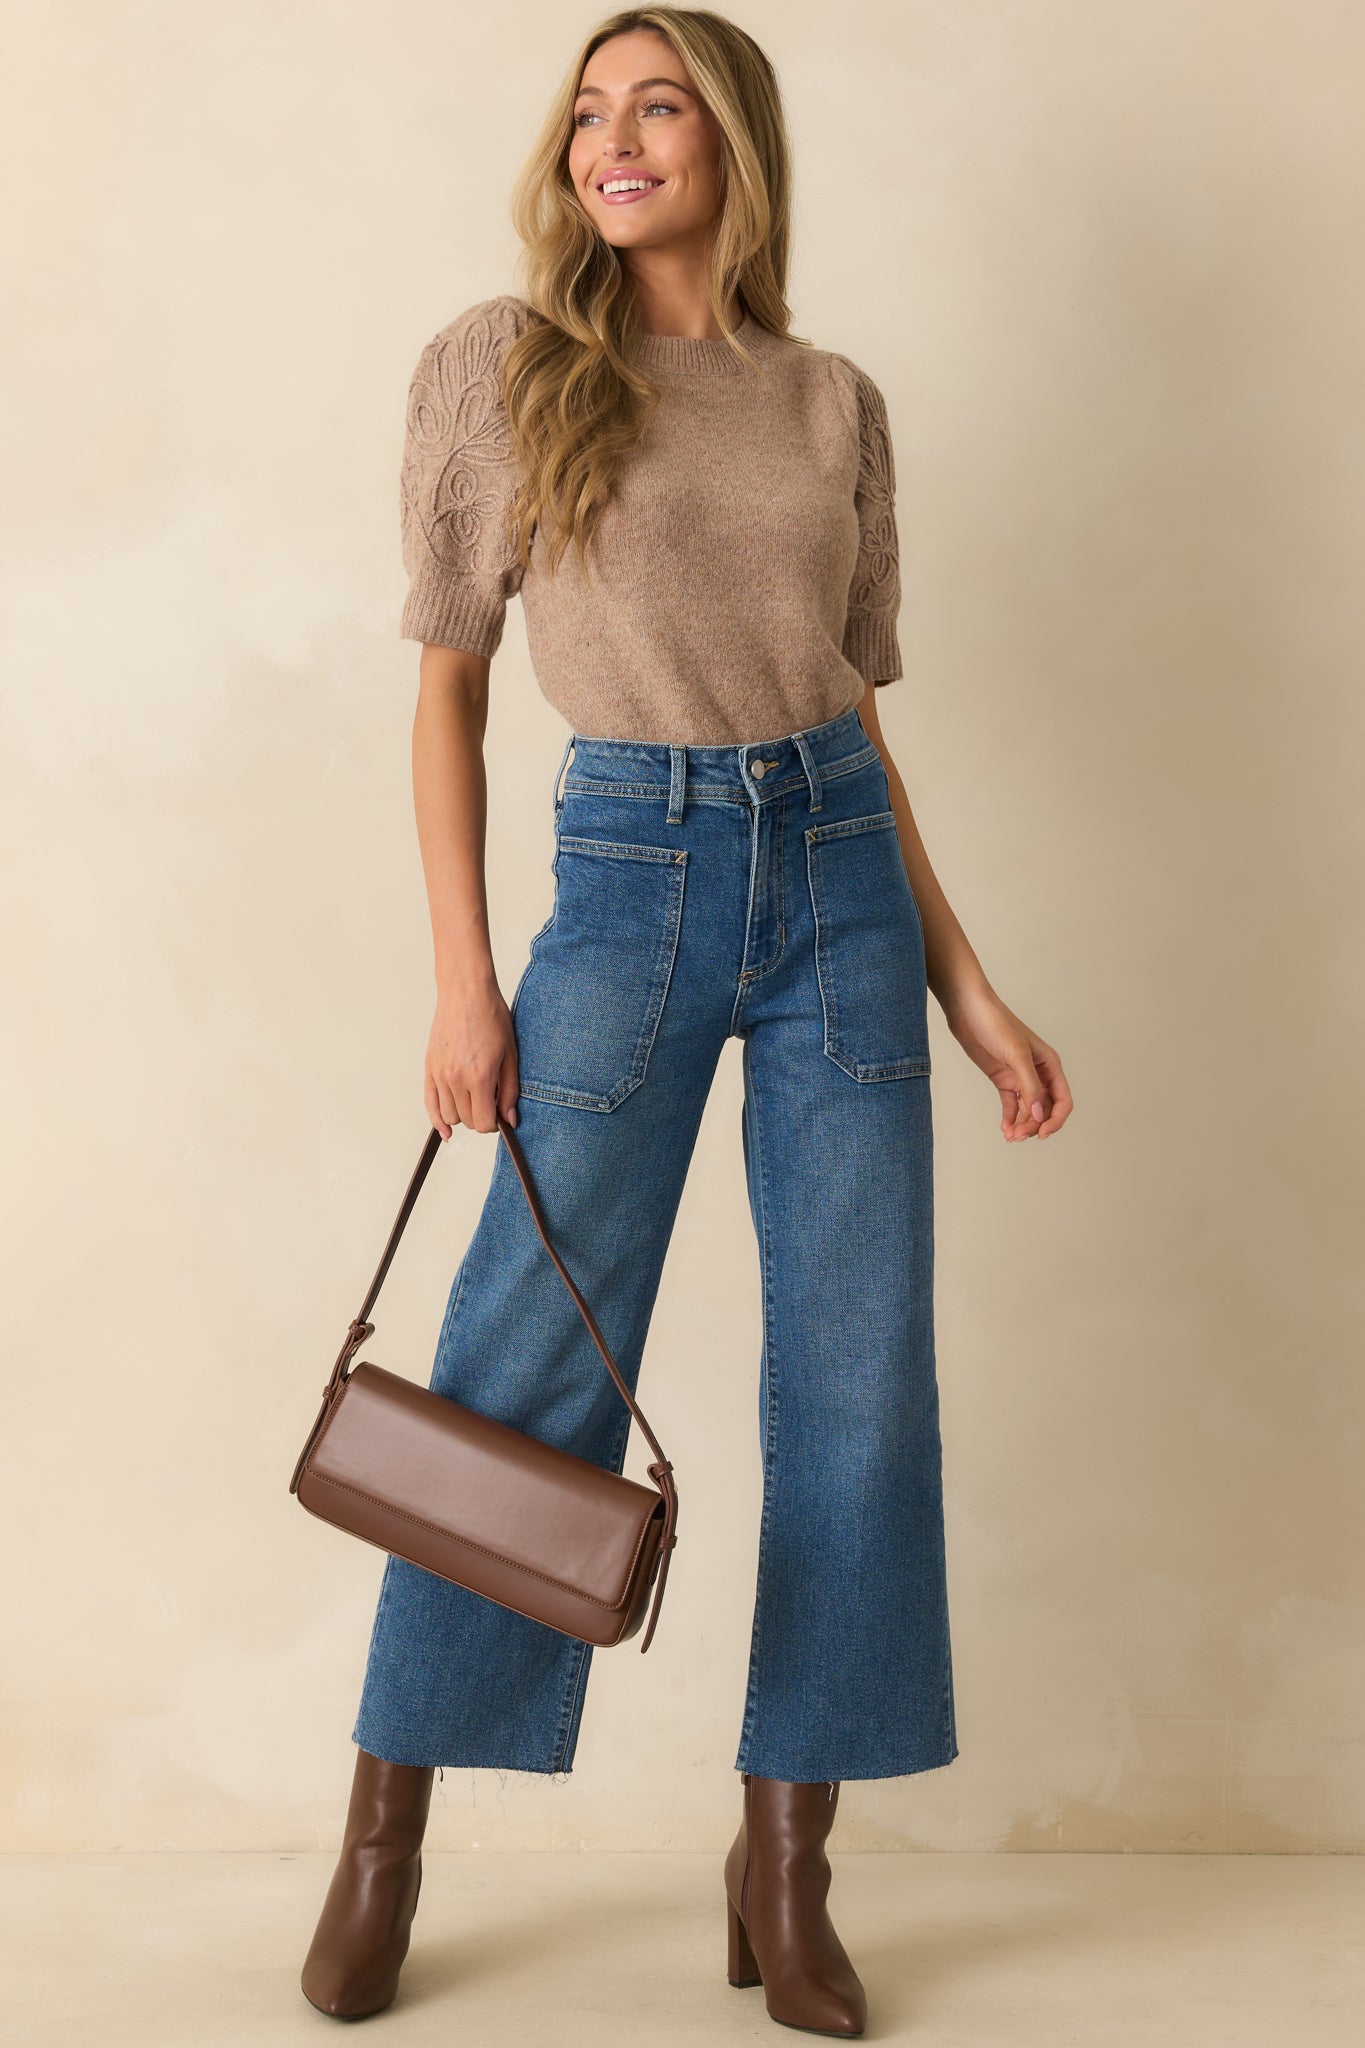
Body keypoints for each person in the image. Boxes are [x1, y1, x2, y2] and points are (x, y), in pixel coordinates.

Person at [300, 6, 1073, 2035]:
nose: (615, 139)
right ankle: (384, 1837)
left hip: (835, 884)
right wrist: (462, 977)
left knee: (856, 1381)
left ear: (734, 143)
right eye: (589, 111)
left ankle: (783, 1865)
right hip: (625, 879)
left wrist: (967, 986)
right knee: (516, 1365)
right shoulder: (505, 364)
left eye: (658, 106)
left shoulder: (829, 403)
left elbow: (853, 724)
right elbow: (447, 686)